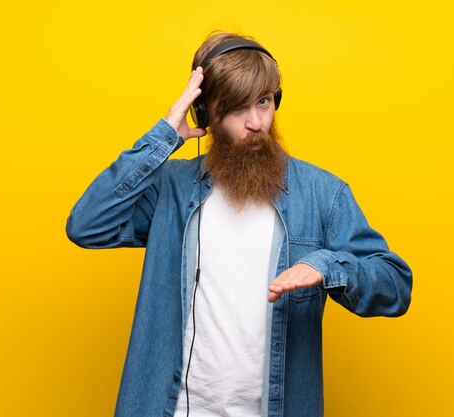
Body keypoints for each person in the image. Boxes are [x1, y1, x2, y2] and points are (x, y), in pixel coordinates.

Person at [66, 31, 412, 417]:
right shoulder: (172, 190)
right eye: (236, 109)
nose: (256, 123)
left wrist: (327, 265)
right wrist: (164, 135)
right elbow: (86, 225)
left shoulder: (322, 194)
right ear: (206, 113)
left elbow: (396, 286)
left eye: (264, 102)